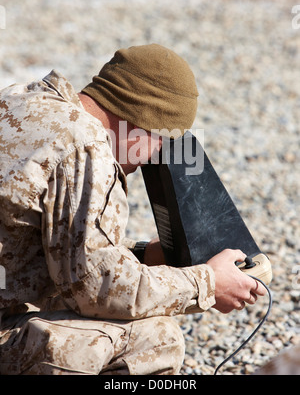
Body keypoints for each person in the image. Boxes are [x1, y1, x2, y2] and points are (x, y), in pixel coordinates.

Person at [0, 44, 266, 375]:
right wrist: (208, 284)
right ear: (142, 125)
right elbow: (96, 290)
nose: (145, 165)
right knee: (155, 339)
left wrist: (147, 256)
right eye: (159, 145)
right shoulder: (84, 145)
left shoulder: (25, 100)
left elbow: (58, 251)